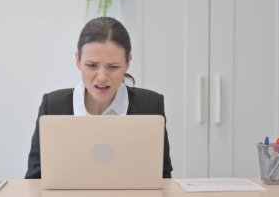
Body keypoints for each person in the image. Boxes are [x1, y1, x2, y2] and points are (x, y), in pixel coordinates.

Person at [25, 17, 173, 178]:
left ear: (128, 61)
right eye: (92, 65)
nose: (102, 77)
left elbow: (163, 177)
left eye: (113, 67)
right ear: (78, 60)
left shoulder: (150, 106)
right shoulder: (52, 106)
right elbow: (34, 179)